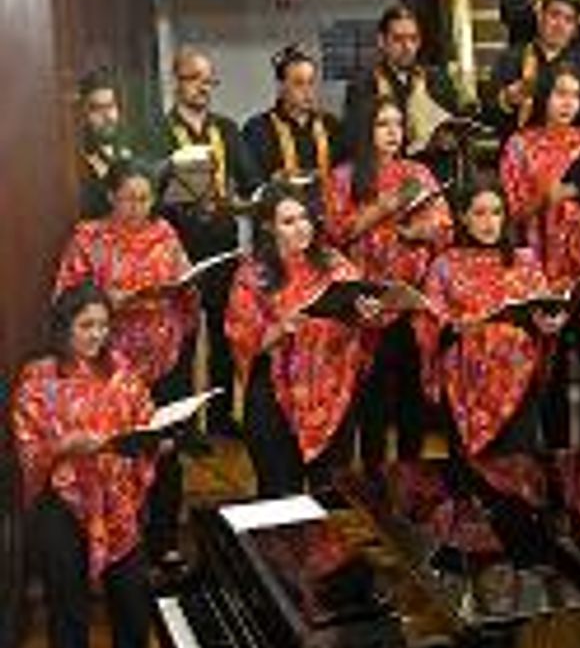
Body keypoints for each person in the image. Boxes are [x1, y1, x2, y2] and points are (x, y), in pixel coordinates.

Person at [11, 284, 163, 648]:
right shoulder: (39, 377)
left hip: (118, 503)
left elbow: (145, 418)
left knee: (132, 604)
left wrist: (157, 439)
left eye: (103, 325)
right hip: (61, 505)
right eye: (86, 326)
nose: (97, 334)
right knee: (68, 610)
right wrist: (64, 447)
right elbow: (27, 447)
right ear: (64, 328)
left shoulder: (122, 371)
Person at [53, 160, 198, 566]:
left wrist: (183, 291)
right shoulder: (89, 237)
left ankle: (164, 541)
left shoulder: (164, 233)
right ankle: (120, 545)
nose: (138, 208)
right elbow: (66, 300)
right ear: (110, 197)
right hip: (111, 369)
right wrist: (105, 301)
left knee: (166, 449)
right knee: (119, 455)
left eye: (145, 199)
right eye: (129, 199)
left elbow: (186, 286)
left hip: (164, 361)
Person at [224, 182, 385, 497]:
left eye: (305, 218)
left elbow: (362, 329)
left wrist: (368, 316)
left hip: (333, 393)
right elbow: (241, 338)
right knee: (279, 498)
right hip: (274, 396)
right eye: (289, 221)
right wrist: (279, 329)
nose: (301, 228)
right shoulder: (251, 274)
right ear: (268, 227)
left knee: (333, 497)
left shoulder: (336, 264)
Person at [324, 97, 453, 473]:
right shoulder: (344, 176)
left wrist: (420, 230)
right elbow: (335, 233)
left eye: (398, 124)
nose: (393, 132)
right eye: (383, 124)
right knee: (373, 399)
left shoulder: (418, 172)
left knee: (411, 397)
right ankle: (374, 475)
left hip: (411, 297)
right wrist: (385, 206)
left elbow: (445, 225)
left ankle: (413, 474)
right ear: (366, 130)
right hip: (367, 301)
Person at [499, 66, 580, 448]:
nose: (568, 103)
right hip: (542, 269)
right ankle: (556, 451)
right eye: (560, 94)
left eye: (575, 95)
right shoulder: (520, 144)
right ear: (543, 97)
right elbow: (508, 212)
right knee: (551, 365)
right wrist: (546, 198)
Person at [148, 46, 256, 435]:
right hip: (178, 248)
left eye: (209, 80)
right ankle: (185, 427)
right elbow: (147, 194)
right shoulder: (157, 130)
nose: (203, 87)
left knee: (224, 335)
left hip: (222, 244)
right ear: (176, 81)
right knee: (183, 339)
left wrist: (242, 201)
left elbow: (250, 182)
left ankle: (224, 418)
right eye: (194, 78)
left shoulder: (226, 128)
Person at [415, 178, 562, 461]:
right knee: (469, 472)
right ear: (463, 217)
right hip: (464, 380)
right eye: (479, 213)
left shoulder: (525, 261)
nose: (489, 222)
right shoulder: (445, 264)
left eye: (496, 212)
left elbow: (543, 311)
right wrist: (455, 327)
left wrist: (549, 325)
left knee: (519, 466)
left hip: (518, 376)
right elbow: (427, 323)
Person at [342, 6, 464, 165]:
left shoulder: (437, 79)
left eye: (413, 39)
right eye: (398, 39)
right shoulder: (364, 83)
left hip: (434, 168)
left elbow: (455, 124)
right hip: (385, 169)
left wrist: (447, 138)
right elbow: (356, 138)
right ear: (382, 41)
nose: (407, 47)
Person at [484, 0, 580, 137]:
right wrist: (507, 99)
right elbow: (488, 114)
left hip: (569, 145)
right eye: (554, 15)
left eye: (569, 20)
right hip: (519, 144)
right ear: (540, 16)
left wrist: (573, 102)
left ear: (575, 28)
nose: (560, 25)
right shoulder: (511, 59)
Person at [241, 44, 343, 199]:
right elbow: (252, 183)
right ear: (281, 86)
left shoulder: (330, 124)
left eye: (311, 82)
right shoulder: (258, 128)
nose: (307, 91)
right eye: (298, 83)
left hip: (327, 205)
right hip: (279, 208)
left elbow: (343, 171)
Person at [75, 70, 134, 219]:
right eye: (96, 109)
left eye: (111, 106)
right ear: (82, 114)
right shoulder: (75, 162)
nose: (107, 116)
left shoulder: (130, 151)